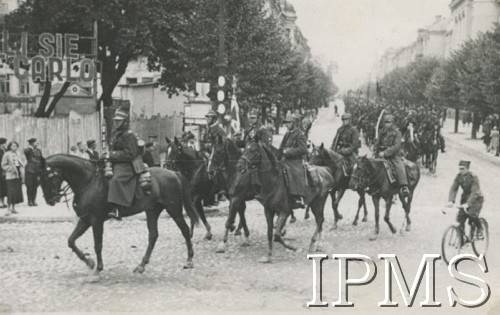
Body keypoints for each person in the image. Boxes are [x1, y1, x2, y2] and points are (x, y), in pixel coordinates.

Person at [106, 108, 143, 220]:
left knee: (117, 179)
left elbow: (130, 154)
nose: (116, 122)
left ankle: (118, 208)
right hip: (116, 162)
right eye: (115, 120)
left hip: (128, 164)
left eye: (119, 120)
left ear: (125, 122)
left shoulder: (129, 135)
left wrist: (111, 154)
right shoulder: (117, 134)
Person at [373, 114, 409, 196]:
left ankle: (403, 186)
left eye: (388, 122)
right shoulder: (382, 131)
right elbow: (378, 142)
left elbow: (396, 146)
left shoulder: (397, 133)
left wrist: (385, 153)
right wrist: (375, 148)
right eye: (385, 122)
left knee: (399, 167)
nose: (387, 124)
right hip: (380, 154)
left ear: (392, 123)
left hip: (393, 155)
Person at [446, 160, 484, 238]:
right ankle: (462, 239)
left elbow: (475, 192)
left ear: (467, 169)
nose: (461, 171)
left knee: (471, 214)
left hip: (476, 200)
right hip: (465, 198)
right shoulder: (458, 176)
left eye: (462, 169)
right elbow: (454, 188)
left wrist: (468, 204)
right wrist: (451, 201)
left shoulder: (473, 177)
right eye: (459, 168)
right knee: (460, 218)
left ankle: (480, 228)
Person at [278, 114, 308, 209]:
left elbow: (304, 149)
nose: (286, 125)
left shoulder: (300, 135)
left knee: (294, 173)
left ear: (294, 123)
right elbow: (281, 147)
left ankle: (297, 197)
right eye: (286, 123)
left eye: (289, 123)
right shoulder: (287, 134)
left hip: (296, 160)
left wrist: (289, 151)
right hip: (285, 159)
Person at [1, 141, 24, 215]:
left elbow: (20, 162)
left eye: (16, 146)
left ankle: (13, 208)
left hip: (17, 175)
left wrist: (21, 168)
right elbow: (3, 165)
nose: (15, 148)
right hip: (10, 175)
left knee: (16, 192)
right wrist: (10, 169)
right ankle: (8, 209)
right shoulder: (6, 154)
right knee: (10, 192)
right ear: (10, 147)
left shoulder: (18, 154)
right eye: (13, 146)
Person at [24, 138, 43, 207]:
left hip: (37, 170)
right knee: (29, 186)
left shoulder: (39, 150)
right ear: (31, 143)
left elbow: (41, 159)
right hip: (30, 169)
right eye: (36, 143)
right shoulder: (28, 150)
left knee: (35, 186)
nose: (37, 144)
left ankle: (33, 200)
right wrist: (31, 147)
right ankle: (29, 201)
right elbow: (28, 154)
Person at [0, 138, 7, 208]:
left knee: (4, 187)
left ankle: (3, 201)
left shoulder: (5, 150)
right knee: (1, 186)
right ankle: (0, 202)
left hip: (5, 171)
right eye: (4, 143)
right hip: (1, 171)